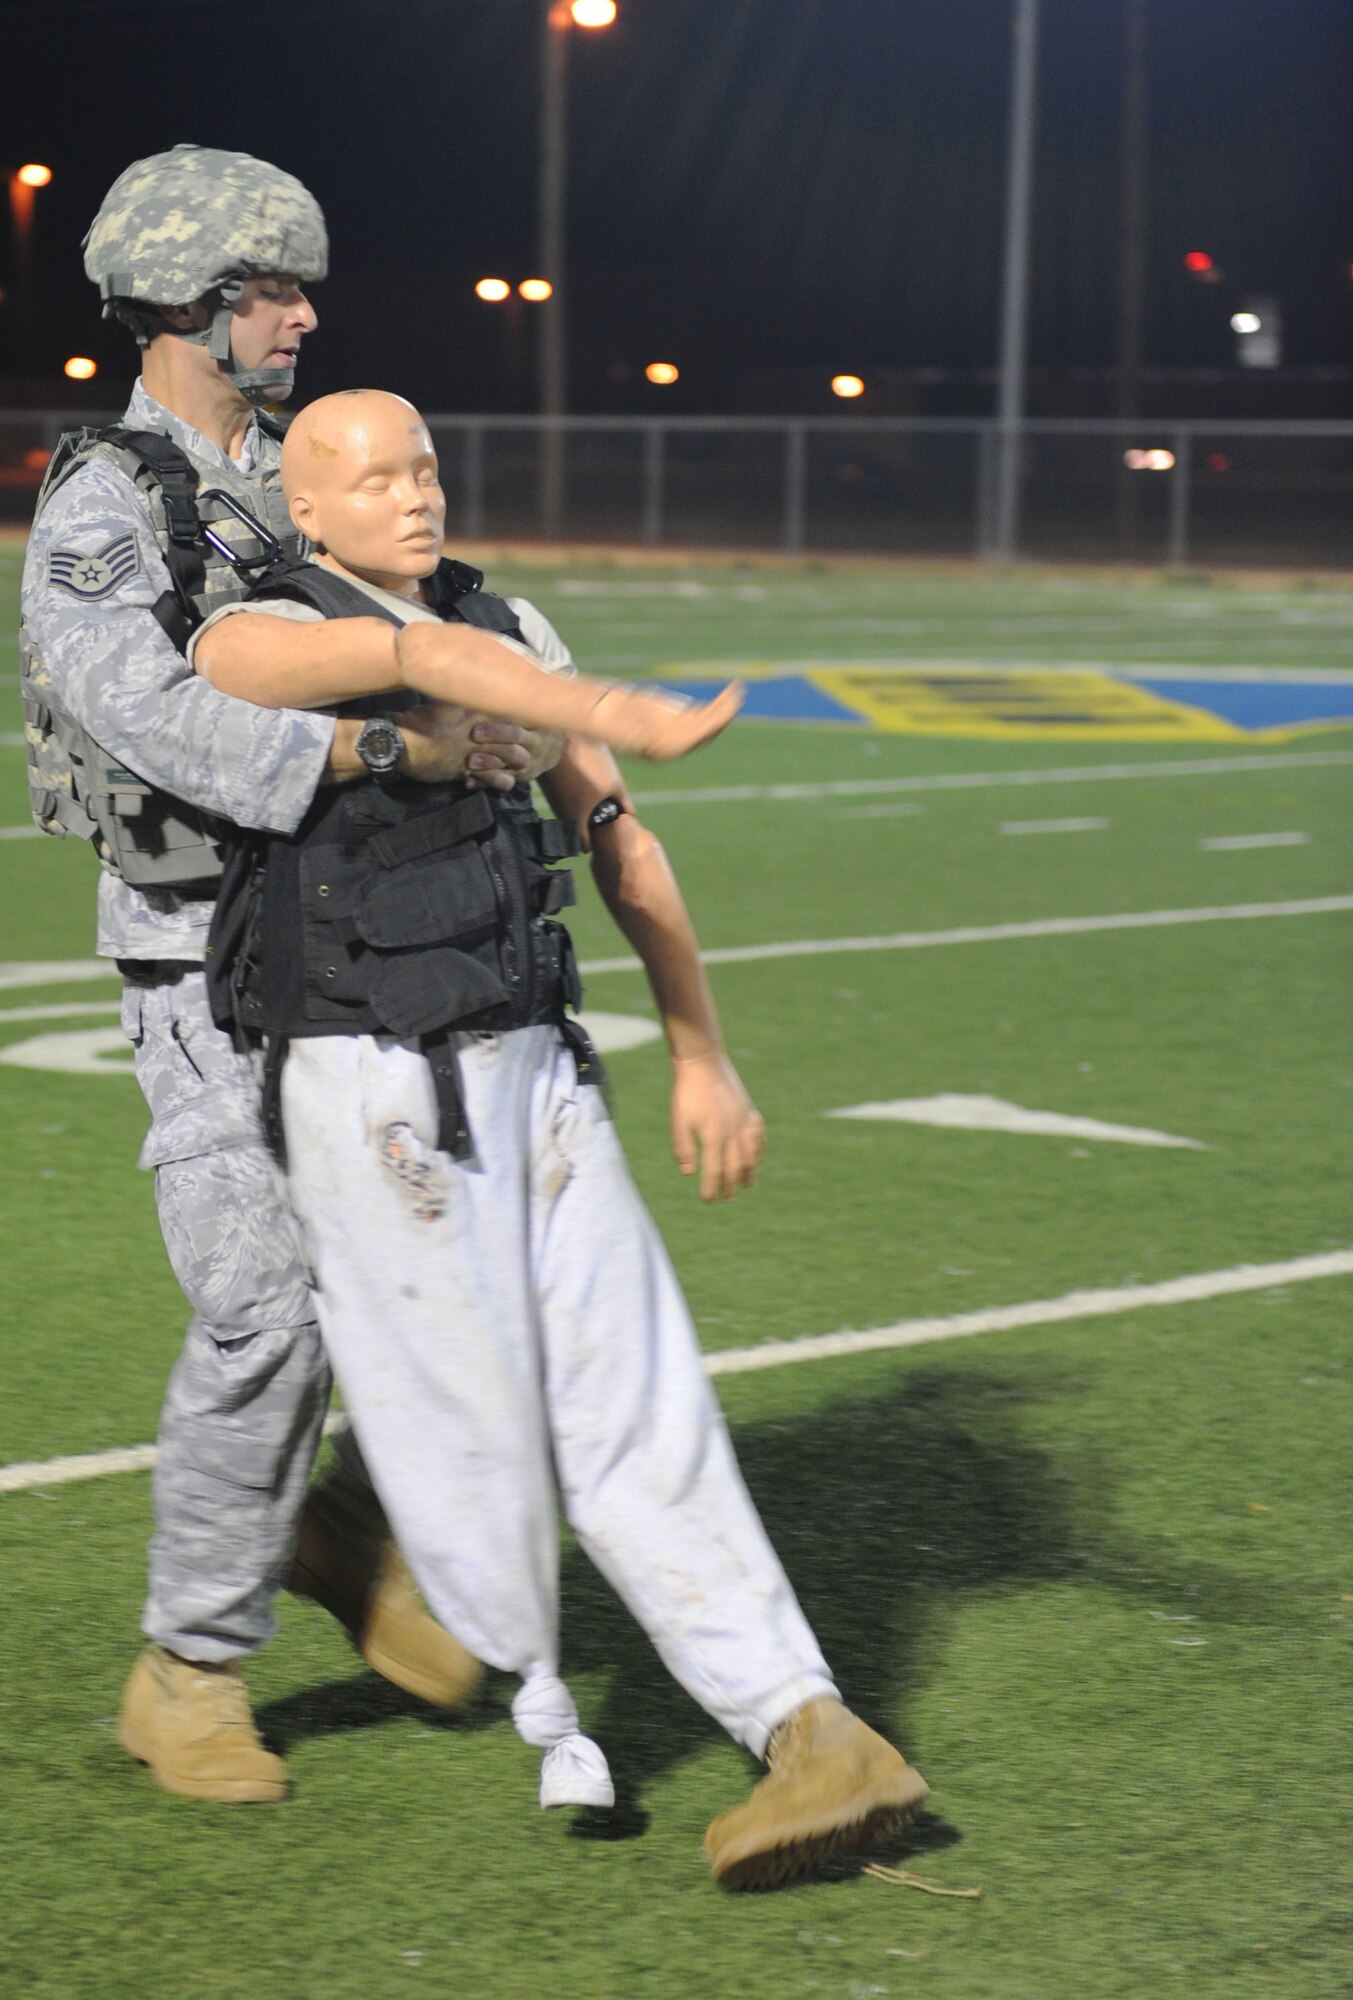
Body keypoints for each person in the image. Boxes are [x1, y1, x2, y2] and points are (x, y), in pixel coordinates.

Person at [196, 388, 931, 1888]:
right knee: (480, 1447)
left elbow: (617, 842)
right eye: (372, 477)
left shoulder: (503, 619)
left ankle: (809, 1731)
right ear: (305, 507)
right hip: (370, 1091)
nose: (414, 497)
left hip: (539, 1069)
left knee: (637, 1398)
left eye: (428, 468)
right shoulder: (241, 631)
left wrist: (700, 1052)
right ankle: (378, 1536)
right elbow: (406, 662)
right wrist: (609, 708)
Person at [18, 146, 565, 1805]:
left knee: (450, 1274)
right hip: (200, 960)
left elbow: (449, 608)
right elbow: (151, 714)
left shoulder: (314, 469)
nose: (305, 313)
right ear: (188, 297)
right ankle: (188, 1667)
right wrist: (375, 740)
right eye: (275, 287)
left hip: (370, 941)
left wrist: (530, 688)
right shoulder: (109, 498)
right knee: (265, 1309)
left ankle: (346, 1525)